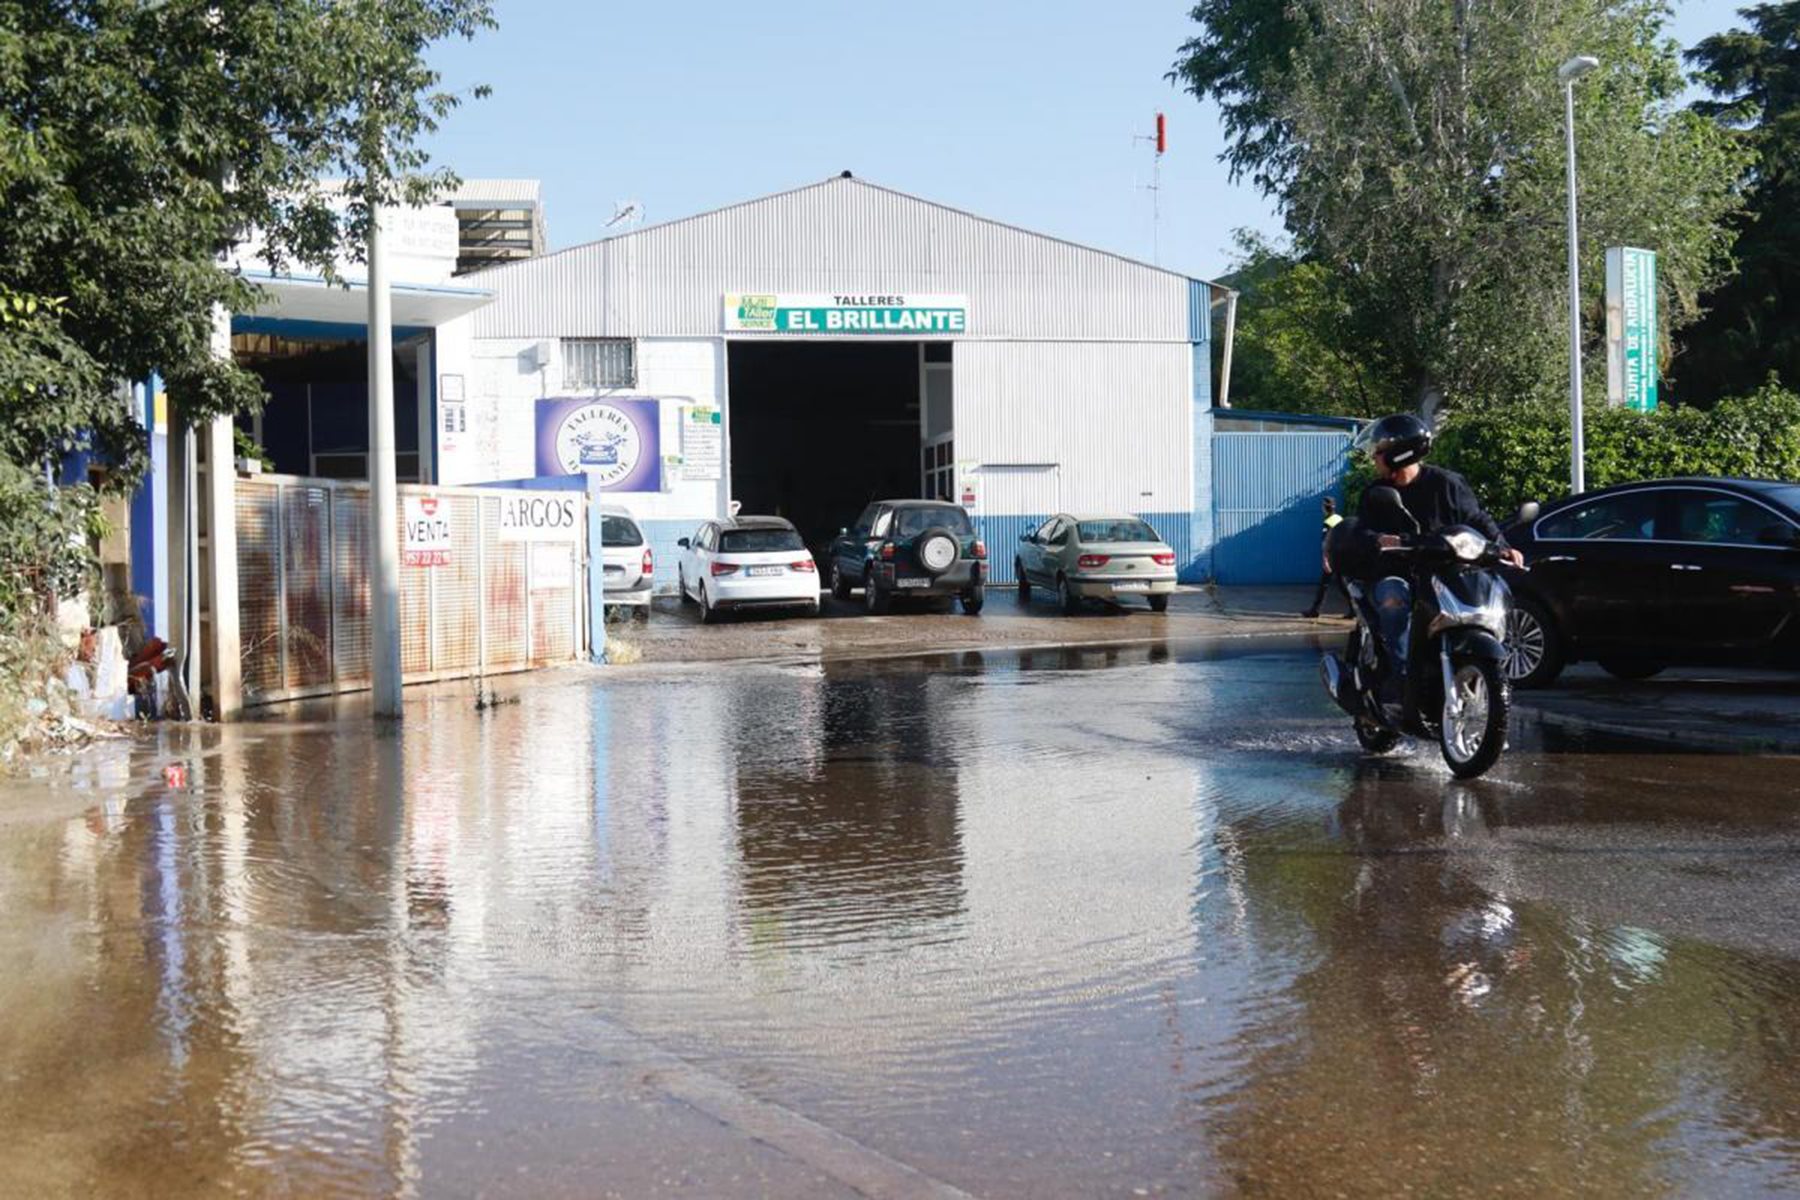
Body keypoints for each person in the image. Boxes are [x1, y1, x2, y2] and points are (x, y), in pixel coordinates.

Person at [1348, 413, 1524, 699]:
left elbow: (1476, 518)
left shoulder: (1447, 484)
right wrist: (1379, 539)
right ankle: (1399, 673)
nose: (1374, 459)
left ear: (1397, 454)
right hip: (1398, 570)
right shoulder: (1376, 494)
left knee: (1485, 593)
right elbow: (1363, 531)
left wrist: (1502, 545)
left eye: (1378, 452)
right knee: (1394, 600)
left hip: (1445, 569)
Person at [1301, 497, 1354, 619]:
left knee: (1325, 585)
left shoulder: (1329, 522)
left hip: (1332, 558)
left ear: (1325, 508)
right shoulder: (1340, 519)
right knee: (1342, 585)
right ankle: (1353, 609)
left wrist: (1325, 560)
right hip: (1341, 557)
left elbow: (1326, 542)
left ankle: (1315, 611)